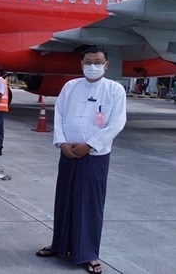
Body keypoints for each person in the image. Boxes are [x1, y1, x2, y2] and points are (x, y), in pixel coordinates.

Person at [36, 46, 126, 274]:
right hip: (67, 153)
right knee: (64, 201)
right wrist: (62, 142)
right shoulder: (70, 87)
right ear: (81, 63)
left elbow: (116, 123)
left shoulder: (114, 90)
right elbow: (59, 115)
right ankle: (59, 245)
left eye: (97, 62)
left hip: (94, 156)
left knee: (90, 204)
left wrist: (90, 145)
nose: (92, 66)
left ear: (106, 65)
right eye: (88, 61)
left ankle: (88, 253)